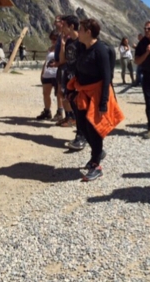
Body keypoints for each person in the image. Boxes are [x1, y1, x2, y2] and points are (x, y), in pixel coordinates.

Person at [67, 18, 124, 181]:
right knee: (83, 127)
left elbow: (107, 77)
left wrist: (104, 101)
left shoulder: (101, 50)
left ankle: (96, 164)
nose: (78, 32)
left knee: (93, 128)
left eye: (81, 29)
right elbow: (79, 69)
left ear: (88, 32)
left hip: (97, 93)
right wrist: (73, 89)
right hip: (84, 93)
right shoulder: (82, 47)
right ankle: (98, 152)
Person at [60, 15, 85, 147]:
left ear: (71, 26)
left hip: (79, 80)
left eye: (64, 25)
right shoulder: (69, 42)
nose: (62, 28)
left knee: (80, 107)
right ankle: (81, 133)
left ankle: (81, 136)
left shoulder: (82, 42)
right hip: (69, 78)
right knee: (74, 107)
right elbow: (64, 60)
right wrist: (63, 45)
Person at [36, 30, 59, 120]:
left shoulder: (61, 49)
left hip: (56, 73)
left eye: (55, 39)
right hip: (47, 73)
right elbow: (46, 62)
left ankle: (59, 112)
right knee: (46, 93)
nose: (53, 41)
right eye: (52, 39)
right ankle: (47, 111)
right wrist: (42, 72)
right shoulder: (49, 49)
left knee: (59, 94)